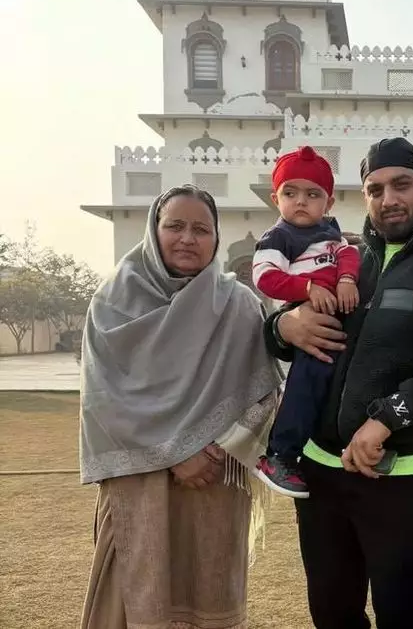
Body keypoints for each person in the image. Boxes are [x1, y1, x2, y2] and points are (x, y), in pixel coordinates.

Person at [263, 137, 413, 629]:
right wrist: (282, 327)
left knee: (404, 616)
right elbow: (294, 333)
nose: (388, 199)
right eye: (375, 189)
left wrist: (387, 416)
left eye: (402, 184)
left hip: (400, 476)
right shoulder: (343, 259)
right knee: (332, 614)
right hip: (320, 474)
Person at [79, 185, 283, 629]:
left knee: (206, 597)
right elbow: (103, 398)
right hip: (139, 484)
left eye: (201, 229)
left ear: (215, 238)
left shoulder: (240, 305)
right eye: (175, 226)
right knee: (133, 598)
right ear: (154, 231)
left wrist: (213, 451)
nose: (187, 238)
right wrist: (176, 455)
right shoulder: (112, 304)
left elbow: (265, 391)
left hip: (212, 480)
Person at [251, 146, 360, 498]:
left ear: (328, 203)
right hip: (307, 316)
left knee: (334, 387)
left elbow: (348, 254)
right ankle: (280, 456)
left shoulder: (332, 235)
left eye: (313, 194)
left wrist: (346, 279)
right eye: (291, 193)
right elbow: (265, 277)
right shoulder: (279, 237)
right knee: (304, 388)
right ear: (276, 199)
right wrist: (309, 288)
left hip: (337, 316)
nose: (301, 201)